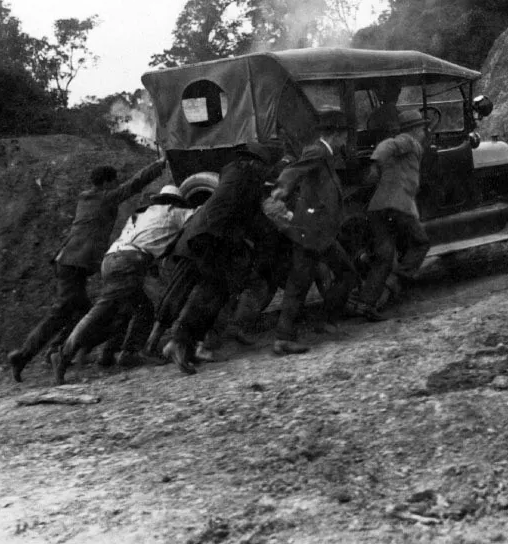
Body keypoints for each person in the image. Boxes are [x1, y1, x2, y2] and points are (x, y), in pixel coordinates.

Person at [7, 156, 166, 382]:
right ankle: (44, 353)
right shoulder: (104, 198)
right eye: (114, 182)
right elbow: (134, 184)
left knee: (79, 313)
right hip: (74, 264)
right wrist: (159, 165)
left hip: (69, 263)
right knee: (74, 314)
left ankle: (48, 352)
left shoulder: (86, 199)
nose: (116, 185)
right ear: (105, 183)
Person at [52, 185, 195, 384]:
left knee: (142, 308)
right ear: (175, 202)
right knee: (102, 310)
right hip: (130, 262)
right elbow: (201, 214)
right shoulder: (176, 213)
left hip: (111, 258)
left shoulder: (140, 214)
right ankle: (64, 353)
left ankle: (128, 353)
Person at [160, 143, 281, 375]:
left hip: (204, 235)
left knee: (217, 292)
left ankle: (187, 344)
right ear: (256, 163)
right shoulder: (247, 179)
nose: (266, 172)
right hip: (210, 238)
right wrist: (272, 233)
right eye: (265, 167)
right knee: (211, 291)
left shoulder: (234, 174)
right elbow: (252, 216)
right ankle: (178, 341)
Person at [268, 109, 357, 356]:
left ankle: (323, 323)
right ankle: (289, 336)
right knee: (306, 281)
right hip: (311, 231)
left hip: (318, 232)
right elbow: (295, 170)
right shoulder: (318, 151)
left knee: (327, 276)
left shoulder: (326, 154)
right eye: (344, 136)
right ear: (337, 135)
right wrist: (283, 188)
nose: (346, 142)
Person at [349, 109, 431, 320]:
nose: (424, 132)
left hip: (378, 207)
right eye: (421, 128)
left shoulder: (405, 150)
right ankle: (396, 281)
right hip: (397, 206)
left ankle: (365, 305)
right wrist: (375, 163)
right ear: (413, 130)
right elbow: (388, 145)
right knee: (421, 242)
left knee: (384, 257)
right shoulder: (408, 141)